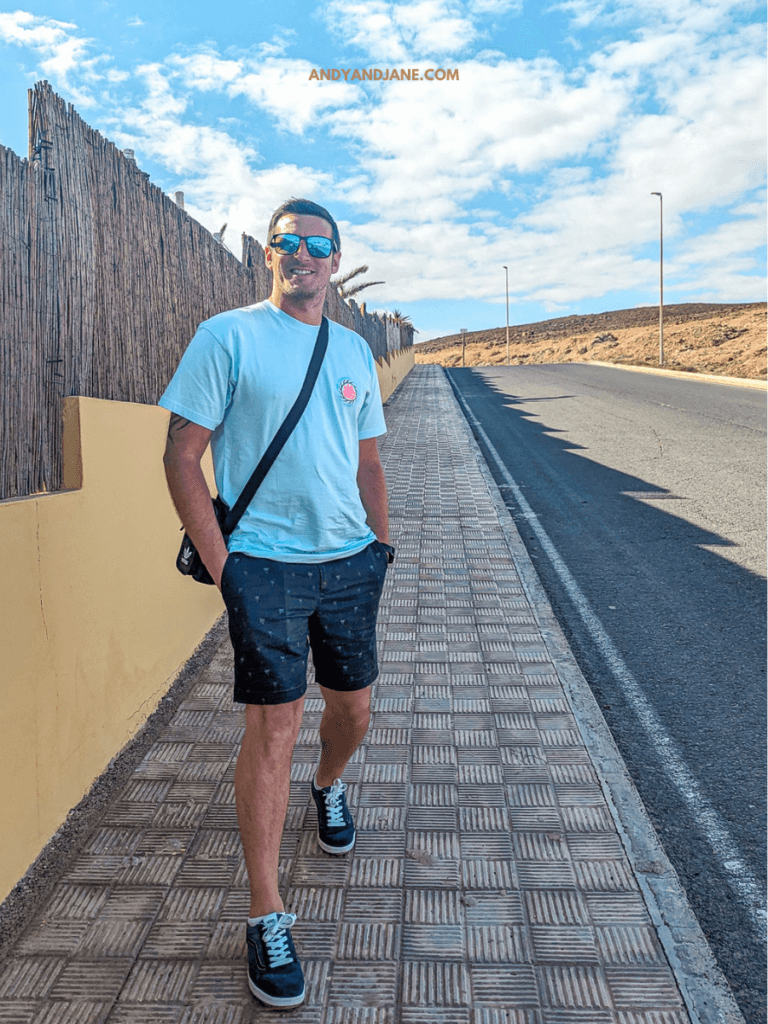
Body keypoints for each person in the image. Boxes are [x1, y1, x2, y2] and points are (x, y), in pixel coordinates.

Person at [159, 198, 393, 1008]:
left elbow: (368, 465)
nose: (304, 256)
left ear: (335, 260)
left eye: (318, 246)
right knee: (274, 725)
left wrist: (381, 546)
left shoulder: (355, 348)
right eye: (289, 243)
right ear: (269, 253)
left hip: (350, 563)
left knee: (354, 712)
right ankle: (267, 915)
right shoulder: (227, 335)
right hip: (264, 567)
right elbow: (183, 454)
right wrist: (228, 572)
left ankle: (329, 785)